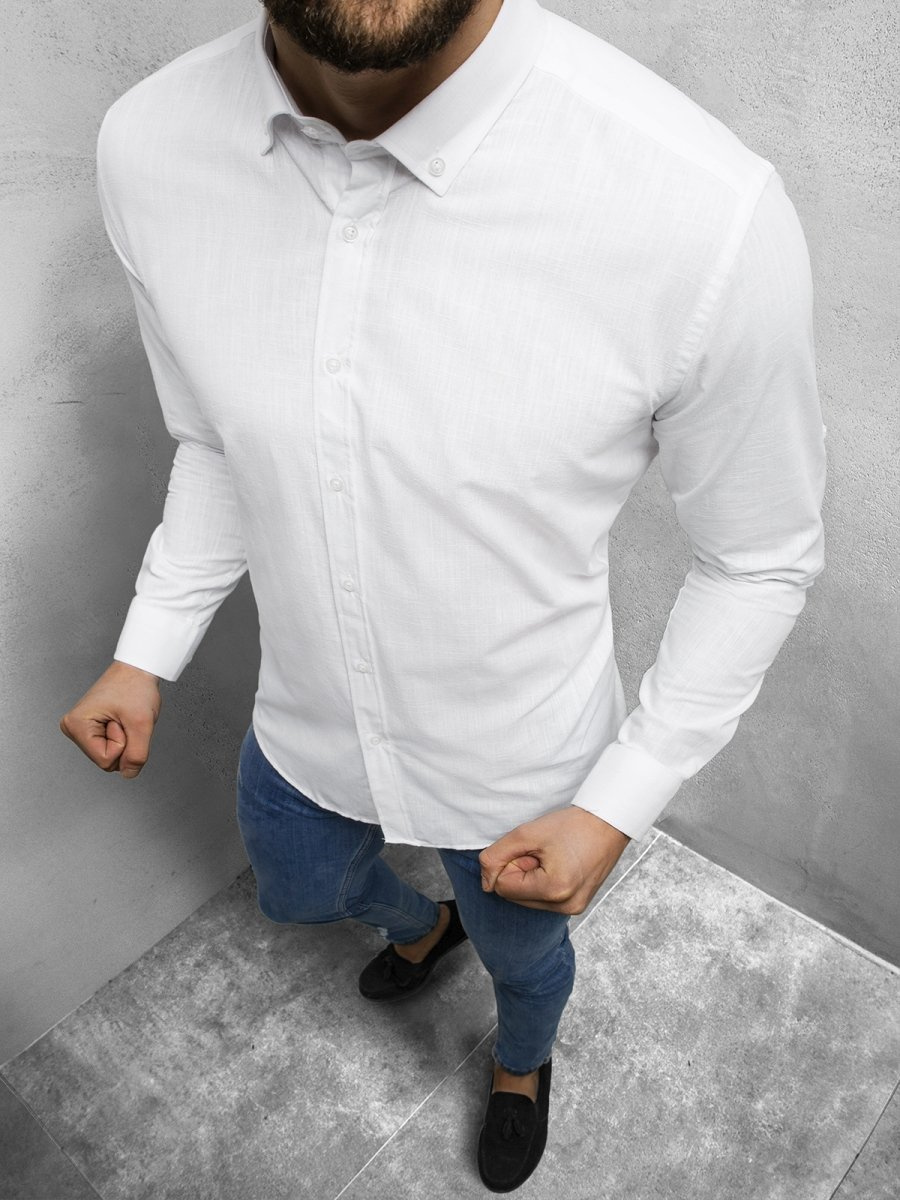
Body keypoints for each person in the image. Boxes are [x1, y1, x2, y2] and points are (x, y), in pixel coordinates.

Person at [59, 0, 827, 1190]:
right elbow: (216, 438)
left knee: (528, 963)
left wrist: (618, 802)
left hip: (523, 763)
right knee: (301, 889)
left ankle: (522, 1063)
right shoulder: (147, 147)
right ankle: (423, 926)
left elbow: (760, 556)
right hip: (308, 716)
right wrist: (146, 649)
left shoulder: (701, 208)